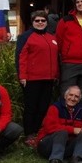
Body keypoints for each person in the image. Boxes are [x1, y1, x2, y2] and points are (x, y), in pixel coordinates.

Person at [15, 10, 58, 143]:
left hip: (48, 78)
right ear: (32, 22)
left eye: (43, 20)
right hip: (32, 79)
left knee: (43, 107)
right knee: (31, 107)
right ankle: (29, 133)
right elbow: (20, 57)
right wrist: (22, 76)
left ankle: (39, 131)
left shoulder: (51, 37)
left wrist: (56, 75)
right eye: (37, 20)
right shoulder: (25, 36)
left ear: (47, 22)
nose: (40, 23)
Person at [36, 85, 82, 163]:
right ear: (65, 96)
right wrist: (72, 129)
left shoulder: (81, 111)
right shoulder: (55, 108)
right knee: (62, 132)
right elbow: (49, 127)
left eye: (76, 96)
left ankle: (76, 158)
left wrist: (80, 130)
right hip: (46, 145)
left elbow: (81, 129)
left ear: (79, 100)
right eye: (70, 95)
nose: (73, 98)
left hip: (65, 146)